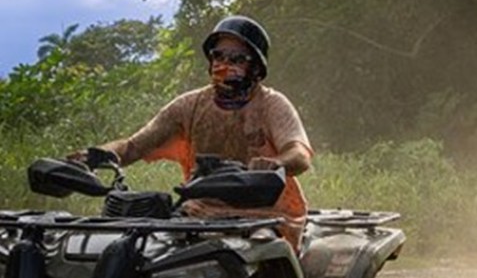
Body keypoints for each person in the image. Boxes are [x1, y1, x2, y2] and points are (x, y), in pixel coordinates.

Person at [77, 15, 314, 250]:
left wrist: (275, 164)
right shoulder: (189, 106)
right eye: (218, 56)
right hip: (197, 214)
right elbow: (133, 147)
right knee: (141, 250)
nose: (224, 64)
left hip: (266, 218)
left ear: (256, 68)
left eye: (237, 59)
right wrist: (93, 156)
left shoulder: (272, 104)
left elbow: (299, 155)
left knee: (261, 252)